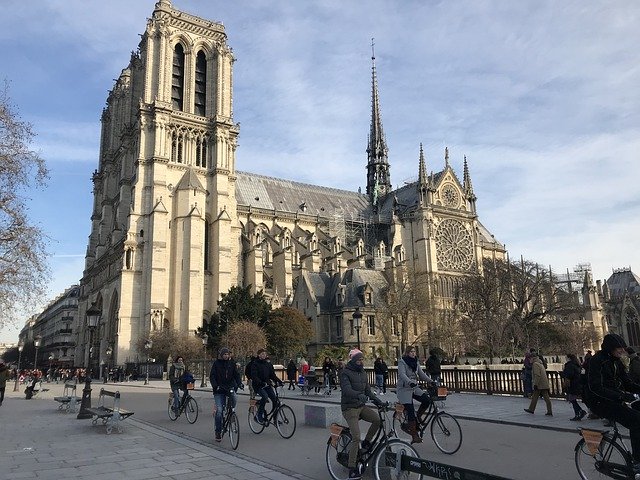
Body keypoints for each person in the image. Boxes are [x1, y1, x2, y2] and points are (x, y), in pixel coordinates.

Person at [585, 333, 640, 468]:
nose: (622, 351)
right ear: (611, 348)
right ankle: (637, 461)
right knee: (637, 421)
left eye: (623, 348)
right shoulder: (597, 360)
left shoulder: (616, 361)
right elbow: (595, 387)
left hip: (613, 398)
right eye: (619, 348)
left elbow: (627, 382)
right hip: (599, 402)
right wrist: (622, 396)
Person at [340, 349, 384, 480]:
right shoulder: (345, 373)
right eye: (359, 360)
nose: (361, 362)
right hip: (349, 408)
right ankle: (352, 468)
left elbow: (368, 392)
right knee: (356, 437)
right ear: (353, 361)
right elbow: (346, 390)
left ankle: (367, 443)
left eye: (362, 359)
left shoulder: (363, 373)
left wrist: (378, 401)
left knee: (377, 420)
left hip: (361, 406)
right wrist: (358, 395)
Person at [397, 345, 433, 443]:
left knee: (426, 400)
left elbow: (421, 374)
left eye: (414, 351)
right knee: (410, 410)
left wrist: (430, 381)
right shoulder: (402, 362)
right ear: (407, 353)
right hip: (404, 389)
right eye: (411, 352)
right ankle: (414, 435)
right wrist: (410, 382)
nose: (413, 353)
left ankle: (419, 416)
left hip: (414, 387)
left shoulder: (415, 362)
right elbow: (402, 374)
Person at [210, 347, 242, 441]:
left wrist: (239, 383)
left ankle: (231, 412)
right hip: (219, 390)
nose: (226, 356)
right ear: (221, 355)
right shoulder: (216, 364)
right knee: (219, 411)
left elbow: (236, 375)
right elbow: (212, 376)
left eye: (227, 354)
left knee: (235, 397)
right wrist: (215, 386)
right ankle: (218, 431)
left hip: (229, 388)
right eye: (224, 354)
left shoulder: (232, 363)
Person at [250, 349, 283, 423]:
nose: (263, 355)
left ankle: (275, 418)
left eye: (264, 354)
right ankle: (259, 415)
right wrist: (261, 382)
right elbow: (254, 376)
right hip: (258, 385)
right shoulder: (255, 364)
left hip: (267, 385)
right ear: (258, 355)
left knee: (275, 400)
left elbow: (272, 375)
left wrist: (279, 381)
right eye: (262, 354)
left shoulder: (268, 364)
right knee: (265, 397)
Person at [562, 353, 586, 421]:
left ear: (569, 358)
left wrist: (566, 384)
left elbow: (569, 375)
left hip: (572, 384)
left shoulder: (569, 365)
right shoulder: (577, 364)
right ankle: (578, 412)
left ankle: (579, 412)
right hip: (578, 384)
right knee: (573, 399)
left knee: (572, 399)